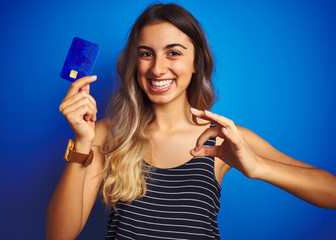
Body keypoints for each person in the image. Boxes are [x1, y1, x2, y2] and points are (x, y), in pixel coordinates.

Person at [46, 3, 336, 240]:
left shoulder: (223, 138)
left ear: (196, 63)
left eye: (173, 53)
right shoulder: (108, 134)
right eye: (146, 54)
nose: (158, 68)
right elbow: (59, 235)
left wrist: (257, 167)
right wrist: (83, 142)